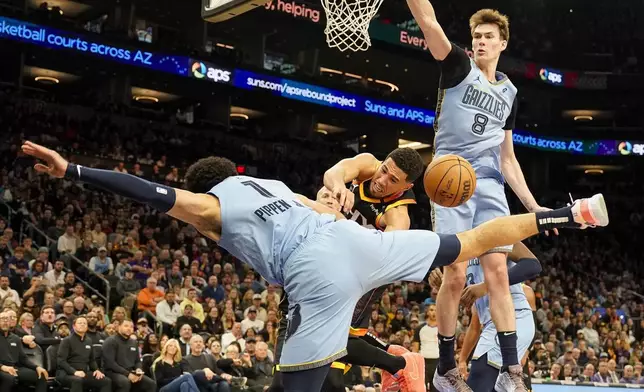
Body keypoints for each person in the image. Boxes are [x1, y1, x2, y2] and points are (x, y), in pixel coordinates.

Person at [21, 141, 608, 392]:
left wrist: (72, 171)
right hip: (353, 241)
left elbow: (147, 192)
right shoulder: (268, 183)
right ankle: (568, 214)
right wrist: (342, 200)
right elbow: (325, 194)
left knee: (292, 387)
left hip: (318, 271)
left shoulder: (209, 204)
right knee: (475, 239)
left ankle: (194, 384)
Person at [405, 1, 549, 389]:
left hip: (488, 183)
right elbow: (428, 21)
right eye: (476, 37)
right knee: (454, 274)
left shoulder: (509, 91)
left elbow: (508, 158)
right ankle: (447, 369)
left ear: (503, 42)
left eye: (488, 37)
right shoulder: (457, 67)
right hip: (452, 179)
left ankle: (512, 373)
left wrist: (533, 205)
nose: (481, 42)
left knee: (499, 272)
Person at [274, 149, 428, 391]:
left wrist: (335, 217)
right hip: (332, 265)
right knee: (329, 376)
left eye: (392, 180)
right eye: (384, 170)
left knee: (335, 343)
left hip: (364, 278)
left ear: (407, 186)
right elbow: (333, 173)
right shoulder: (368, 164)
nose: (381, 180)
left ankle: (399, 363)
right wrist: (339, 188)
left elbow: (377, 258)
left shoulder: (398, 216)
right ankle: (394, 358)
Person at [448, 243, 540, 392]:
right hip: (492, 324)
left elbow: (533, 265)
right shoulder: (466, 244)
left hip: (513, 318)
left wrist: (486, 286)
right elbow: (475, 324)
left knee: (477, 383)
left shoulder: (498, 233)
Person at [56, 316, 112, 392]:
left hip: (83, 372)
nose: (82, 325)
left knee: (106, 381)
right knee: (77, 380)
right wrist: (74, 372)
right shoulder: (67, 340)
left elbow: (91, 360)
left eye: (84, 323)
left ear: (87, 326)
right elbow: (61, 361)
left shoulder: (89, 340)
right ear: (74, 326)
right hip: (65, 373)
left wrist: (96, 370)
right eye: (80, 323)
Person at [102, 319, 156, 392]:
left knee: (151, 384)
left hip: (130, 372)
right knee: (125, 382)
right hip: (112, 372)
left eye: (131, 327)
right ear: (119, 327)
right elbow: (110, 363)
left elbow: (137, 361)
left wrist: (138, 369)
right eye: (126, 326)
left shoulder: (133, 342)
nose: (129, 328)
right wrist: (128, 374)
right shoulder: (110, 341)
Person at [0, 311, 48, 392]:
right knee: (9, 379)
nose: (5, 321)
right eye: (2, 319)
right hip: (1, 369)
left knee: (41, 375)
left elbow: (23, 358)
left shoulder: (15, 338)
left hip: (15, 368)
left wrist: (37, 367)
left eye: (7, 319)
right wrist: (3, 367)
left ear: (10, 322)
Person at [412, 304, 439, 392]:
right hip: (423, 362)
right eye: (431, 310)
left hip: (438, 362)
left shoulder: (443, 329)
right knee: (421, 388)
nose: (433, 312)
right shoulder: (419, 328)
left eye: (435, 310)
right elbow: (415, 348)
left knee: (436, 389)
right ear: (427, 312)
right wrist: (414, 364)